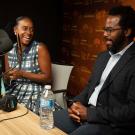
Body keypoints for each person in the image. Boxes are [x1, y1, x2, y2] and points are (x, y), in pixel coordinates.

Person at [54, 5, 135, 135]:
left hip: (111, 125)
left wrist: (91, 114)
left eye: (110, 30)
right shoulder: (102, 56)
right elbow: (90, 88)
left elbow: (131, 111)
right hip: (87, 113)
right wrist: (75, 104)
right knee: (48, 121)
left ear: (127, 31)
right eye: (104, 30)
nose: (104, 34)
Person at [4, 16, 51, 114]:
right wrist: (6, 77)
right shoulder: (9, 50)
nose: (29, 33)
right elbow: (8, 77)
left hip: (34, 92)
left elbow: (48, 78)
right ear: (15, 30)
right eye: (25, 28)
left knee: (26, 116)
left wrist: (22, 74)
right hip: (14, 90)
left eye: (31, 29)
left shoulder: (40, 48)